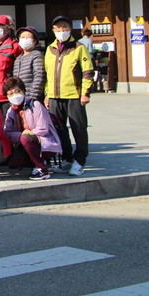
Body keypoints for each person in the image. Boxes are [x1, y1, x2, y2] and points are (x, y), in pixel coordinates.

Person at [44, 15, 95, 176]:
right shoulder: (50, 48)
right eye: (58, 28)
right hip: (54, 96)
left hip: (74, 95)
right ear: (53, 31)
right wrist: (47, 94)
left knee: (78, 129)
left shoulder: (79, 47)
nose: (61, 31)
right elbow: (48, 74)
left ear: (70, 29)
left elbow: (88, 72)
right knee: (59, 130)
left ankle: (80, 161)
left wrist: (85, 93)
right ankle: (66, 159)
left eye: (65, 27)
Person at [2, 77, 62, 181]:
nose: (14, 96)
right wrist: (21, 135)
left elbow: (43, 128)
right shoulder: (11, 111)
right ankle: (36, 163)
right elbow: (7, 132)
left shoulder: (35, 105)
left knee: (26, 138)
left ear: (24, 91)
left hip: (44, 142)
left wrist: (27, 134)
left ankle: (42, 170)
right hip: (24, 142)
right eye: (10, 93)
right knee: (15, 161)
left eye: (17, 91)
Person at [13, 27, 45, 103]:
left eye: (28, 37)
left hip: (31, 99)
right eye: (22, 37)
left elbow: (39, 76)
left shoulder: (37, 55)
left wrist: (33, 97)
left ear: (34, 41)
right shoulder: (18, 58)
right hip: (19, 98)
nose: (25, 39)